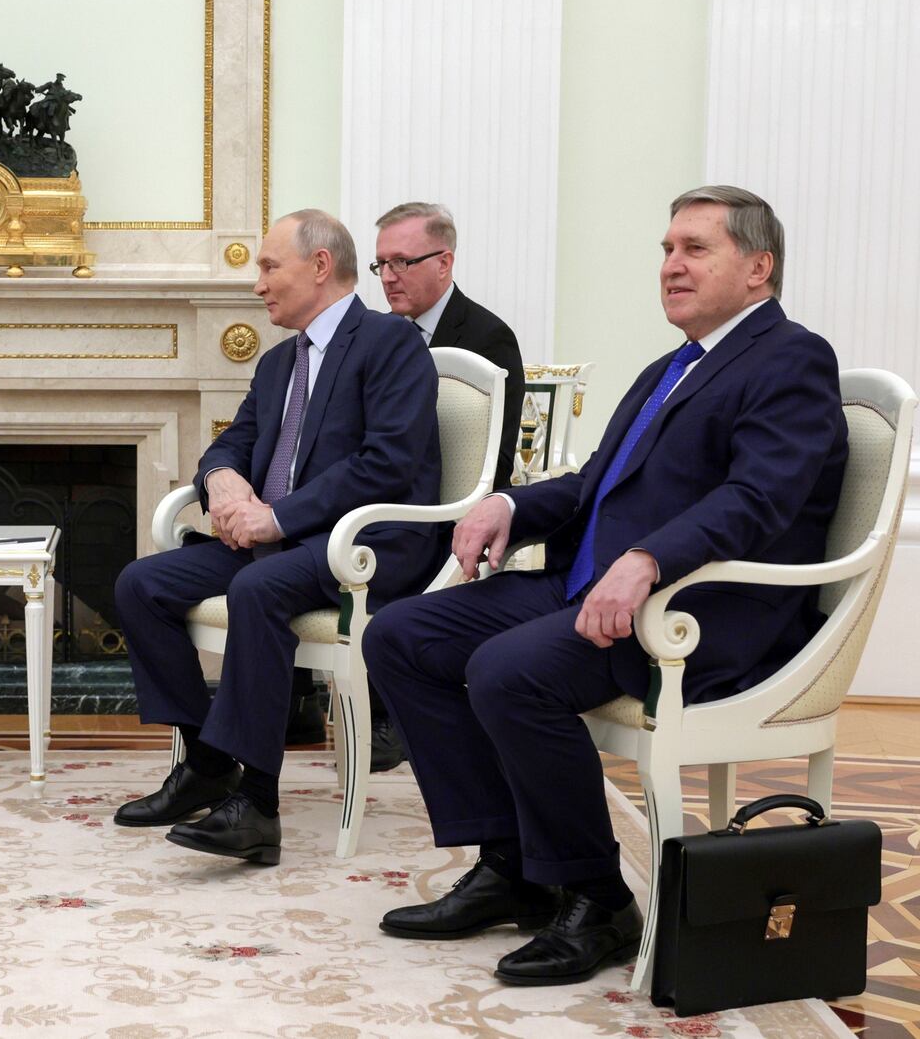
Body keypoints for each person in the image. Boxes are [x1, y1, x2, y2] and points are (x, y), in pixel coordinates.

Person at [361, 185, 846, 985]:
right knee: (401, 635)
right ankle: (512, 864)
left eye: (695, 248)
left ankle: (597, 897)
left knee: (508, 671)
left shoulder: (791, 357)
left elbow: (758, 498)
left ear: (759, 268)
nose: (671, 265)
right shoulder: (676, 364)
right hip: (594, 588)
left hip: (692, 614)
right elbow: (594, 484)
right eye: (666, 249)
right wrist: (509, 502)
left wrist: (651, 558)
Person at [112, 209, 443, 864]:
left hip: (361, 547)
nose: (258, 284)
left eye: (268, 267)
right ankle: (207, 764)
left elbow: (386, 463)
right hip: (281, 547)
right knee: (141, 583)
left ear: (319, 266)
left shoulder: (390, 344)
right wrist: (225, 479)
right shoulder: (275, 365)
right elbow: (231, 443)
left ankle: (257, 805)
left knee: (259, 587)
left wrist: (276, 518)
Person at [287, 202, 529, 770]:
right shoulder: (373, 336)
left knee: (349, 546)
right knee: (292, 536)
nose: (388, 277)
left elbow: (490, 464)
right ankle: (294, 701)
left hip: (441, 516)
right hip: (368, 502)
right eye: (380, 265)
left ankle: (389, 714)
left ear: (444, 262)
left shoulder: (489, 337)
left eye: (402, 261)